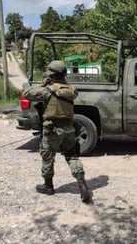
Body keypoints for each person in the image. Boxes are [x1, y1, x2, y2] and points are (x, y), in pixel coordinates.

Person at [24, 60, 93, 203]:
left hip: (52, 130)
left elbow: (27, 94)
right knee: (72, 157)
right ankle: (83, 186)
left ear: (51, 75)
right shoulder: (71, 90)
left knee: (47, 157)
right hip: (69, 129)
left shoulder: (47, 90)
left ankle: (48, 186)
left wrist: (43, 84)